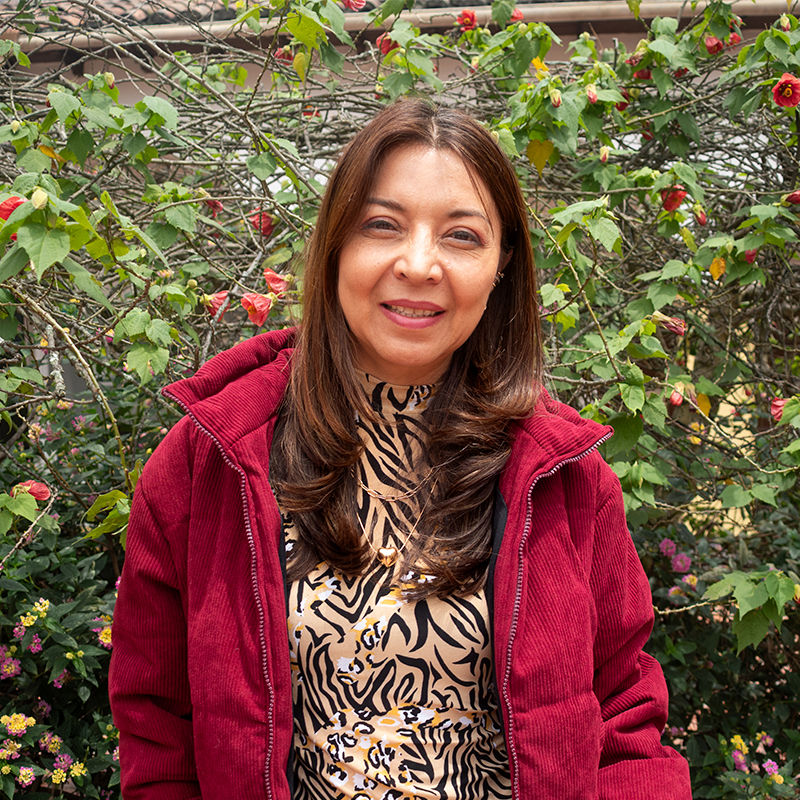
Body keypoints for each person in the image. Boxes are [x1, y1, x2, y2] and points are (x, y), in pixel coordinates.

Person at [109, 98, 692, 800]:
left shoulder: (564, 475)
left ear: (502, 264)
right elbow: (158, 734)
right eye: (382, 225)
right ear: (335, 245)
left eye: (462, 237)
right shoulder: (208, 461)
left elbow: (626, 721)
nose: (418, 265)